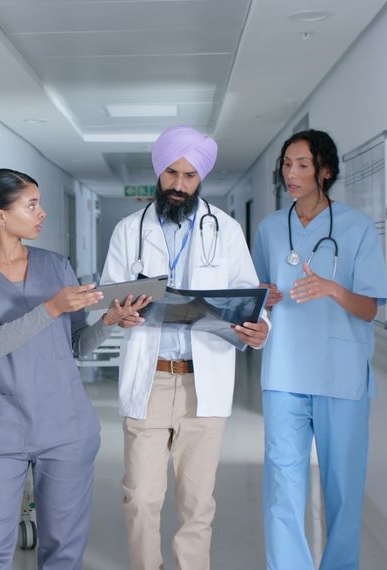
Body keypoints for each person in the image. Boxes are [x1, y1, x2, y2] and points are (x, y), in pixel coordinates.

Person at [0, 168, 150, 570]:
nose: (43, 214)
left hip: (65, 426)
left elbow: (73, 345)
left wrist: (108, 322)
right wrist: (53, 306)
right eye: (32, 205)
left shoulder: (56, 265)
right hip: (1, 429)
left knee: (63, 552)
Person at [100, 125, 270, 570]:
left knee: (197, 505)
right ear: (159, 172)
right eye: (171, 173)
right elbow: (109, 298)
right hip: (150, 377)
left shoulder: (226, 230)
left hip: (205, 380)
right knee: (140, 499)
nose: (178, 185)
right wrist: (120, 313)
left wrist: (259, 327)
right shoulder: (128, 231)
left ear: (201, 179)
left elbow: (248, 294)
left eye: (189, 176)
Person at [251, 129, 387, 570]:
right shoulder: (271, 228)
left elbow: (369, 308)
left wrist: (332, 288)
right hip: (284, 374)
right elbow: (251, 294)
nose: (291, 174)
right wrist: (263, 294)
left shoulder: (357, 228)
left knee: (343, 491)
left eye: (302, 165)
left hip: (340, 373)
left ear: (325, 171)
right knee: (282, 486)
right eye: (286, 165)